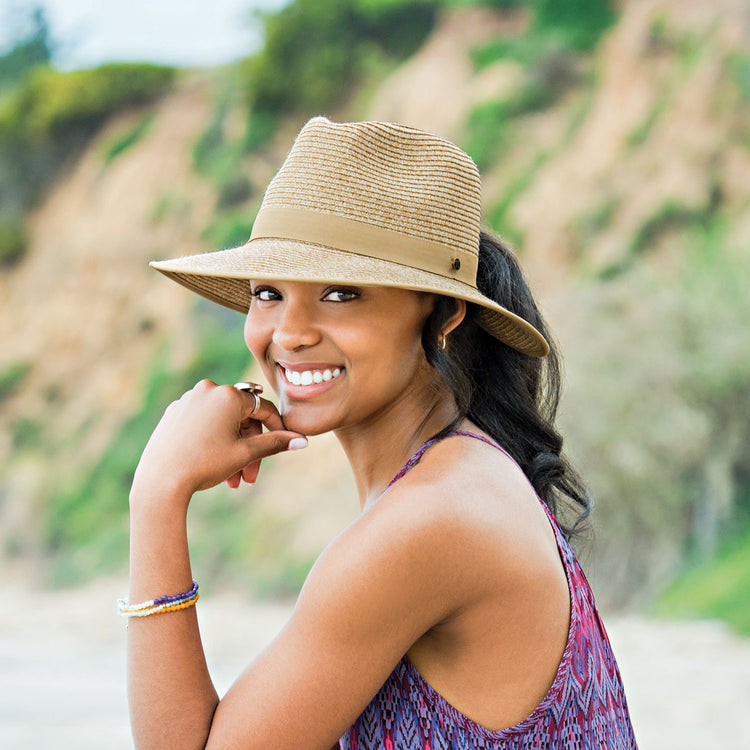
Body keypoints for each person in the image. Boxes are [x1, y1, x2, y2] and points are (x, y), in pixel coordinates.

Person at [125, 117, 638, 749]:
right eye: (268, 293)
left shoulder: (429, 520)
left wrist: (156, 497)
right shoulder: (463, 478)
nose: (290, 333)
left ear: (444, 312)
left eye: (341, 293)